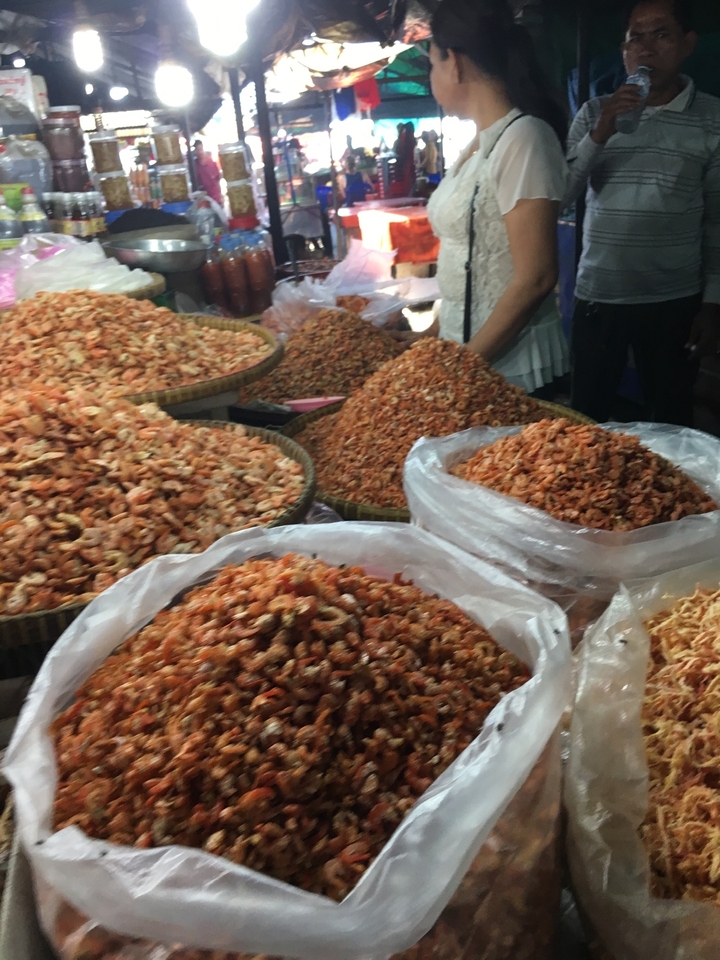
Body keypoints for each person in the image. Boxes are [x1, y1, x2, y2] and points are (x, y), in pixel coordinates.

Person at [566, 0, 720, 426]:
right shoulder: (595, 112)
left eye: (661, 34)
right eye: (636, 36)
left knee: (672, 420)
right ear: (624, 50)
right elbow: (561, 194)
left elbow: (717, 219)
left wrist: (713, 303)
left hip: (674, 301)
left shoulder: (713, 118)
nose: (646, 48)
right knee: (585, 420)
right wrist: (600, 134)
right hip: (599, 295)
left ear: (688, 44)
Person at [409, 0, 569, 394]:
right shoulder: (480, 144)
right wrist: (432, 335)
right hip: (470, 362)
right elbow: (467, 263)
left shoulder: (524, 139)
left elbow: (536, 277)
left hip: (513, 374)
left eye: (433, 64)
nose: (432, 77)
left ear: (456, 63)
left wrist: (463, 369)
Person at [192, 140, 222, 206]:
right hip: (204, 201)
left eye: (200, 149)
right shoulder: (194, 165)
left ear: (203, 149)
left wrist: (221, 196)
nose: (199, 152)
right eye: (197, 150)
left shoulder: (211, 163)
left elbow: (218, 180)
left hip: (215, 198)